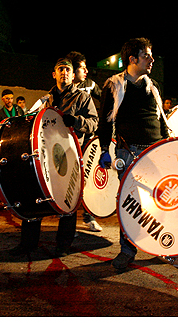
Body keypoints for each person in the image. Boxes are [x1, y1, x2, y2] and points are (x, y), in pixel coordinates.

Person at [10, 57, 98, 257]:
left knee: (68, 201)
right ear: (54, 74)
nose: (64, 73)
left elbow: (93, 123)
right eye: (60, 70)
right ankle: (28, 243)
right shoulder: (45, 99)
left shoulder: (82, 98)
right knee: (36, 196)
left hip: (70, 155)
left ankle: (63, 245)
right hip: (45, 155)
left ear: (73, 75)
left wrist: (76, 121)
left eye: (68, 70)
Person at [97, 37, 170, 270]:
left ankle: (159, 246)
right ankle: (127, 251)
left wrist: (168, 145)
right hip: (128, 152)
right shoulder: (113, 85)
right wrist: (104, 150)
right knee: (130, 204)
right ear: (132, 59)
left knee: (160, 202)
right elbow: (105, 122)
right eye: (147, 55)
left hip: (155, 151)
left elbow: (161, 119)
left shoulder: (153, 85)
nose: (151, 59)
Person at [66, 50, 103, 232]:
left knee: (87, 179)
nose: (86, 71)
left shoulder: (90, 85)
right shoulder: (61, 89)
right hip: (67, 142)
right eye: (82, 68)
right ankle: (67, 223)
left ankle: (89, 217)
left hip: (86, 141)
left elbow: (105, 98)